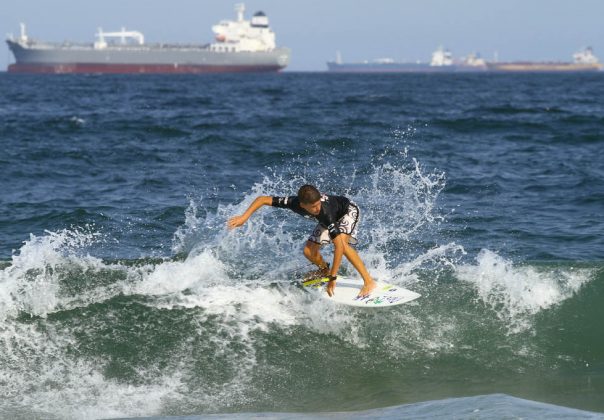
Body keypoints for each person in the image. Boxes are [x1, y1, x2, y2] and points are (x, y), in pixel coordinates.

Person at [227, 184, 377, 297]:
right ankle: (324, 270)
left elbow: (338, 247)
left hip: (347, 212)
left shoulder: (324, 212)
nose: (317, 208)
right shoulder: (292, 202)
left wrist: (333, 278)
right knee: (308, 251)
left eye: (318, 204)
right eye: (313, 207)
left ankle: (368, 281)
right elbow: (262, 199)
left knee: (343, 245)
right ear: (302, 205)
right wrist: (243, 217)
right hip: (328, 219)